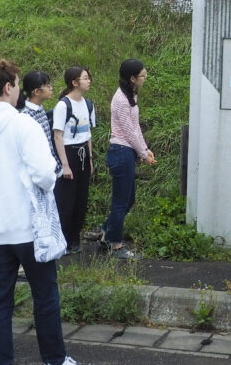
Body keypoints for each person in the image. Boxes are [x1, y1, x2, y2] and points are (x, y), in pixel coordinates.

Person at [0, 58, 94, 365]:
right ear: (8, 88)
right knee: (45, 295)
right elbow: (45, 174)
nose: (18, 90)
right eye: (17, 84)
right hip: (30, 228)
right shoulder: (23, 125)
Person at [101, 58, 155, 260]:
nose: (145, 77)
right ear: (132, 78)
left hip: (127, 152)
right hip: (121, 151)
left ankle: (105, 234)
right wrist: (143, 154)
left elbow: (135, 126)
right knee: (121, 202)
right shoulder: (121, 100)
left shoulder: (130, 94)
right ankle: (115, 245)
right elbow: (129, 132)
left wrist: (145, 149)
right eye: (142, 75)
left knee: (128, 199)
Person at [52, 67, 96, 255]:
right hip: (68, 154)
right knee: (66, 201)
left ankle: (74, 239)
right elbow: (58, 136)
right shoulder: (63, 105)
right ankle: (61, 240)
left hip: (83, 154)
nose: (89, 81)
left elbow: (88, 134)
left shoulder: (88, 104)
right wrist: (65, 164)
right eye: (85, 78)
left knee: (81, 199)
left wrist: (90, 159)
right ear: (74, 82)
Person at [18, 70, 62, 177]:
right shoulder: (26, 115)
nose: (51, 88)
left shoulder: (39, 108)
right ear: (37, 92)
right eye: (47, 86)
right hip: (41, 173)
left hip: (52, 168)